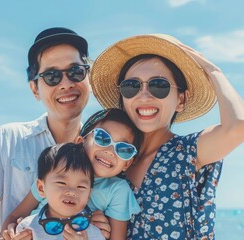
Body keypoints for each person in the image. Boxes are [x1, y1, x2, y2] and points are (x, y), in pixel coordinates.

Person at [90, 34, 244, 239]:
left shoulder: (188, 151)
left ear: (181, 99)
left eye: (159, 86)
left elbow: (237, 127)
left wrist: (213, 70)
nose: (144, 95)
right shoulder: (110, 162)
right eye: (131, 86)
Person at [0, 27, 112, 240]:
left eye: (76, 72)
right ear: (35, 89)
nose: (66, 84)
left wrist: (102, 226)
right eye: (52, 76)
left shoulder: (105, 148)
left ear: (88, 79)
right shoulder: (9, 138)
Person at [2, 108, 142, 240]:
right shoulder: (55, 170)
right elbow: (16, 215)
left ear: (127, 164)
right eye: (103, 138)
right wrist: (9, 234)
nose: (110, 150)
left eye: (124, 149)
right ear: (81, 142)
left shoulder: (117, 190)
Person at [15, 142, 105, 239]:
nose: (72, 192)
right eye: (61, 183)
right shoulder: (27, 228)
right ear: (41, 188)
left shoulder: (94, 233)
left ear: (88, 195)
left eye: (81, 187)